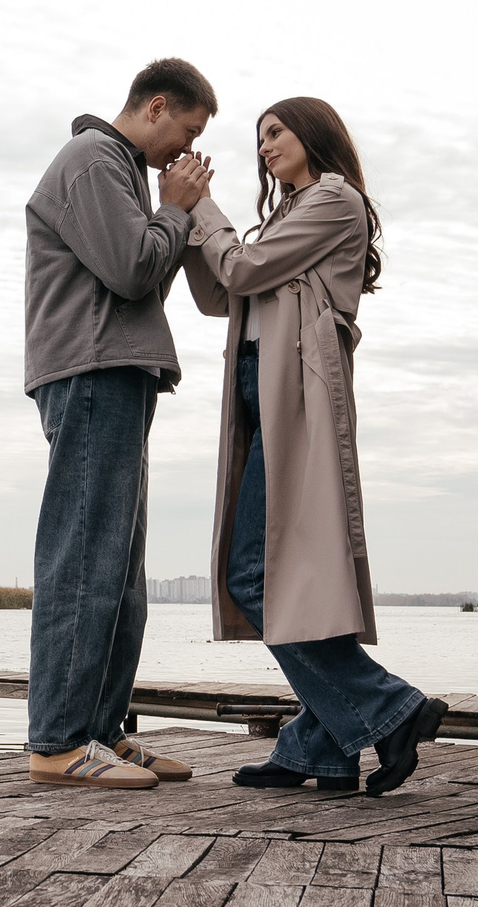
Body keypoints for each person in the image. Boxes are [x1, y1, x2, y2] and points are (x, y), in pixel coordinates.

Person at [182, 97, 446, 795]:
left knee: (257, 573)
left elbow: (242, 270)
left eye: (276, 131)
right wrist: (184, 220)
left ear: (313, 132)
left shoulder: (333, 198)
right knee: (295, 576)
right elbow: (222, 295)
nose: (265, 145)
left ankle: (391, 706)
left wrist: (202, 208)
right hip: (262, 386)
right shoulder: (286, 216)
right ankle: (320, 747)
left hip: (295, 389)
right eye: (259, 137)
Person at [21, 57, 218, 788]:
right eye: (188, 131)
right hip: (91, 369)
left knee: (118, 567)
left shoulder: (124, 170)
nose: (188, 149)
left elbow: (144, 278)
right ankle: (58, 741)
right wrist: (176, 209)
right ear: (156, 106)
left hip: (116, 369)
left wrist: (172, 212)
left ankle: (101, 731)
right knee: (83, 555)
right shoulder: (93, 160)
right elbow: (134, 271)